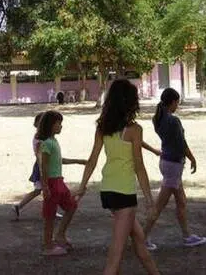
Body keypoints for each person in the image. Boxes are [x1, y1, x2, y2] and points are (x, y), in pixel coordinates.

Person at [77, 79, 160, 275]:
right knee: (114, 258)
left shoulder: (102, 128)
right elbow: (139, 166)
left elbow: (92, 160)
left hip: (108, 191)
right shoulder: (134, 130)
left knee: (139, 240)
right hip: (124, 195)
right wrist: (150, 201)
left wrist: (82, 186)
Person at [142, 87, 206, 251]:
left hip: (167, 162)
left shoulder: (157, 119)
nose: (177, 105)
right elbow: (181, 143)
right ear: (172, 102)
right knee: (159, 205)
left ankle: (187, 236)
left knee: (181, 201)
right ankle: (142, 237)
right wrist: (192, 158)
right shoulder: (173, 121)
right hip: (173, 165)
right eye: (177, 102)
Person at [36, 110, 87, 256]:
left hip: (59, 181)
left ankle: (60, 235)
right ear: (50, 125)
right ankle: (48, 246)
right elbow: (43, 166)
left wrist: (78, 161)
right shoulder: (46, 144)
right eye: (58, 123)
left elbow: (59, 160)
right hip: (51, 183)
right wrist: (45, 186)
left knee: (71, 206)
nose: (61, 126)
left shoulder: (54, 141)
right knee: (50, 216)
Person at [14, 112, 64, 220]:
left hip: (43, 166)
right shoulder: (40, 139)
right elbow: (40, 156)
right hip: (41, 167)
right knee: (44, 189)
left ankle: (21, 206)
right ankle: (21, 206)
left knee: (42, 190)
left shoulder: (45, 138)